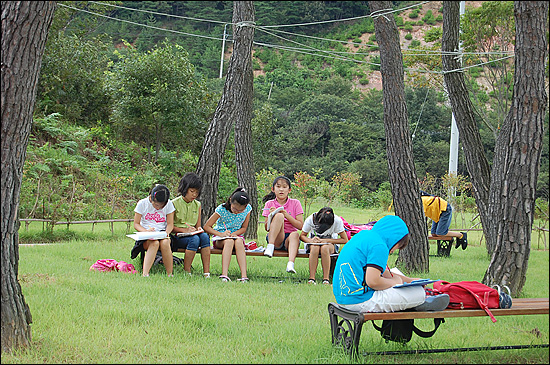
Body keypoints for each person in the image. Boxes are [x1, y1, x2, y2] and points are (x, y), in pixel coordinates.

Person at [333, 215, 450, 313]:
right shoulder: (380, 246)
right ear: (395, 239)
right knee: (418, 293)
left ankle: (416, 299)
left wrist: (410, 280)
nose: (393, 250)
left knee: (396, 274)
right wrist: (396, 282)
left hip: (345, 298)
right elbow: (373, 281)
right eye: (398, 246)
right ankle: (421, 300)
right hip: (360, 301)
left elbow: (385, 273)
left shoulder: (365, 236)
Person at [203, 187, 252, 282]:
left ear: (245, 207)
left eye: (240, 211)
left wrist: (234, 234)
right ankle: (224, 274)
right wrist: (221, 234)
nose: (236, 212)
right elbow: (207, 226)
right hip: (220, 238)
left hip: (236, 236)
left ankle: (244, 276)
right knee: (229, 241)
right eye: (234, 208)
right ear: (230, 201)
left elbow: (244, 228)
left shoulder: (248, 209)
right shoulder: (221, 209)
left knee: (239, 242)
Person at [170, 172, 211, 277]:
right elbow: (170, 227)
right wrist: (184, 230)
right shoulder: (174, 203)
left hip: (192, 234)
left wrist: (199, 229)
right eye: (192, 191)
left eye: (197, 192)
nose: (194, 195)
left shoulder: (197, 204)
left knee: (205, 237)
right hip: (178, 236)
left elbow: (198, 225)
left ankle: (206, 272)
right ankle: (187, 271)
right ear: (184, 189)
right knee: (195, 240)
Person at [261, 176, 304, 274]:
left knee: (295, 234)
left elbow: (300, 226)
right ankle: (270, 246)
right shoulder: (269, 204)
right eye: (278, 186)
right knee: (279, 216)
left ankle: (290, 264)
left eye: (284, 187)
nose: (281, 189)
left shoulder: (295, 203)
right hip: (276, 237)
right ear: (273, 189)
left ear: (289, 190)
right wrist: (273, 216)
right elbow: (266, 228)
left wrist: (286, 215)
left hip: (290, 239)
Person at [132, 184, 175, 277]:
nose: (158, 208)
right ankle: (145, 273)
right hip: (146, 235)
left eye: (161, 206)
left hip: (162, 233)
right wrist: (146, 231)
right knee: (154, 243)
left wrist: (166, 233)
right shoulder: (142, 204)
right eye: (156, 205)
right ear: (151, 198)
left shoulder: (169, 204)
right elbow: (136, 224)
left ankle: (169, 273)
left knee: (165, 243)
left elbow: (170, 224)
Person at [300, 207, 348, 285]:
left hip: (330, 243)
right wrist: (311, 241)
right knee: (315, 248)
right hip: (314, 243)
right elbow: (302, 236)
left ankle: (326, 279)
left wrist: (327, 241)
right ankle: (311, 278)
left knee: (325, 248)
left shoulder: (337, 220)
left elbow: (344, 240)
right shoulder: (311, 219)